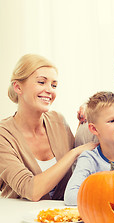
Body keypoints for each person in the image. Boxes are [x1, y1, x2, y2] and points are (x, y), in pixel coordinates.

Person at [0, 54, 97, 201]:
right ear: (18, 87)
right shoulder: (3, 135)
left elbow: (77, 167)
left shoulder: (58, 121)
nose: (50, 90)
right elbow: (32, 190)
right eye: (41, 82)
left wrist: (91, 111)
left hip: (61, 220)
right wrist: (73, 153)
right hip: (18, 221)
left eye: (54, 85)